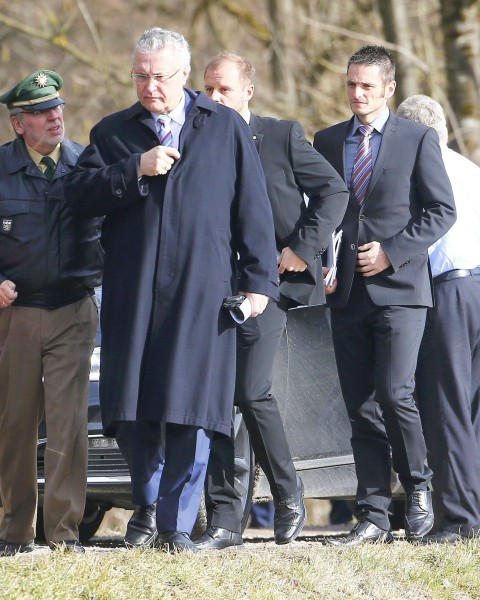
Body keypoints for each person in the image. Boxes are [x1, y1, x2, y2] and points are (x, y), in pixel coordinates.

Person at [64, 28, 278, 553]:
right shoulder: (113, 132)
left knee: (191, 409)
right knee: (132, 412)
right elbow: (78, 195)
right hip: (132, 294)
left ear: (184, 76)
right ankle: (150, 500)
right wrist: (133, 169)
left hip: (201, 292)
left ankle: (176, 527)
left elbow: (252, 209)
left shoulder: (224, 127)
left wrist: (258, 283)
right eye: (140, 75)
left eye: (160, 76)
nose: (150, 86)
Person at [200, 51, 349, 549]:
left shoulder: (281, 136)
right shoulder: (196, 139)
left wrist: (301, 249)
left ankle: (288, 493)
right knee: (215, 394)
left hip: (275, 284)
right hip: (216, 288)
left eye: (223, 89)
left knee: (249, 388)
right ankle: (225, 514)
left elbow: (333, 191)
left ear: (248, 90)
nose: (213, 98)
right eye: (207, 90)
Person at [0, 70, 102, 557]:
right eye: (40, 112)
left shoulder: (87, 164)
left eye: (56, 107)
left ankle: (63, 534)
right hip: (16, 315)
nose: (53, 117)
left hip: (73, 310)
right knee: (15, 423)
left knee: (68, 423)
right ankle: (16, 531)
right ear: (19, 124)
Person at [312, 46, 456, 545]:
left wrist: (393, 252)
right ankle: (372, 514)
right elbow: (324, 213)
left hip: (401, 291)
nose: (357, 94)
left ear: (389, 88)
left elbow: (441, 210)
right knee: (360, 405)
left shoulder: (417, 139)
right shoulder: (328, 140)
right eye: (351, 84)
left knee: (396, 393)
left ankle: (418, 487)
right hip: (345, 293)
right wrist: (321, 261)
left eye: (367, 85)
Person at [396, 94, 480, 544]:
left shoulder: (418, 171)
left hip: (450, 290)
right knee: (472, 412)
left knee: (446, 407)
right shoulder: (470, 169)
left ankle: (461, 519)